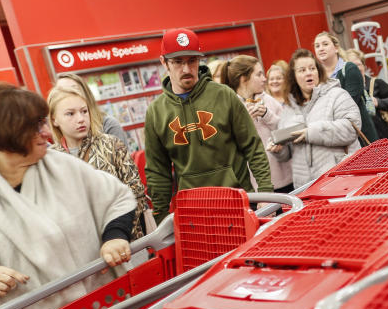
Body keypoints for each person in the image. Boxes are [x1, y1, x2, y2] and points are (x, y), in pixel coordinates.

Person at [0, 82, 137, 309]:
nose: (47, 133)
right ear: (6, 137)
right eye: (35, 127)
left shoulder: (63, 166)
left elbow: (118, 198)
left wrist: (115, 236)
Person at [142, 28, 272, 222]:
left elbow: (253, 147)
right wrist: (162, 220)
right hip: (194, 213)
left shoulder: (224, 95)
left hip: (238, 201)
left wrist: (266, 193)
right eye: (178, 62)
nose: (186, 69)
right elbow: (157, 172)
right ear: (164, 62)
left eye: (192, 61)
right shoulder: (156, 112)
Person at [47, 86, 154, 238]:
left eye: (84, 111)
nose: (80, 119)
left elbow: (135, 193)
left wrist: (120, 234)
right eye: (70, 114)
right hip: (83, 251)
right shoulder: (51, 159)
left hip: (126, 243)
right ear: (54, 119)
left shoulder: (112, 145)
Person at [275, 48, 360, 188]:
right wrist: (279, 150)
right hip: (306, 187)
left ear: (318, 71)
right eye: (302, 70)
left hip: (340, 180)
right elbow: (287, 154)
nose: (309, 72)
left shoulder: (337, 94)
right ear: (293, 76)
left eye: (312, 68)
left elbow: (351, 128)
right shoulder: (288, 108)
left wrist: (311, 132)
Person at [218, 55, 294, 193]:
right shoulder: (228, 107)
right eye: (259, 74)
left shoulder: (270, 101)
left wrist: (267, 114)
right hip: (253, 186)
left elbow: (288, 131)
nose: (264, 79)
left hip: (285, 180)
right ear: (243, 78)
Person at [313, 31, 378, 143]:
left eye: (325, 44)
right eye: (317, 46)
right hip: (334, 136)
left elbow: (349, 103)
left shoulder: (349, 69)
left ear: (336, 48)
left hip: (358, 134)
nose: (321, 48)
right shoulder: (316, 76)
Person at [56, 73, 132, 147]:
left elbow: (122, 157)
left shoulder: (108, 125)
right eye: (63, 91)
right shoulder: (59, 135)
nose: (69, 95)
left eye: (74, 89)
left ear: (85, 93)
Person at [345, 49, 388, 139]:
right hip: (361, 138)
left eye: (358, 64)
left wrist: (378, 102)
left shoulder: (376, 83)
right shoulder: (345, 91)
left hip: (382, 136)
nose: (355, 69)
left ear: (364, 66)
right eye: (351, 66)